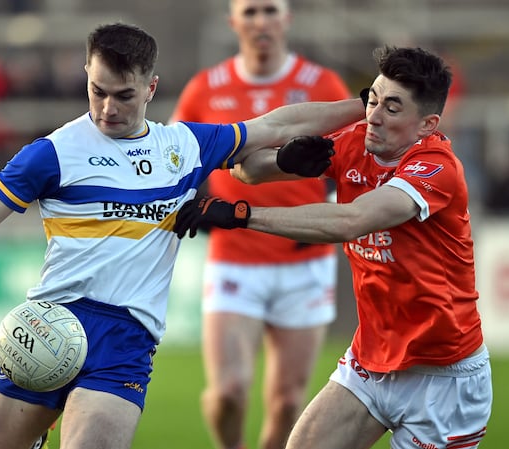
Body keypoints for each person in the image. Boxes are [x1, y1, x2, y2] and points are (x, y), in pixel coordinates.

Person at [0, 23, 365, 449]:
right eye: (97, 91)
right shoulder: (54, 152)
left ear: (152, 89)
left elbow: (275, 123)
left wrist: (362, 107)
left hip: (124, 343)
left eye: (124, 96)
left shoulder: (183, 146)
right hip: (45, 329)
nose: (107, 108)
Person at [174, 46, 493, 449]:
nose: (374, 116)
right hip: (371, 360)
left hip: (444, 377)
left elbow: (352, 220)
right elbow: (247, 169)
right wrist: (286, 159)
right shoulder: (357, 140)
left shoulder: (436, 168)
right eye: (372, 100)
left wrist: (240, 214)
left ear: (427, 124)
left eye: (392, 108)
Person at [168, 1, 351, 448]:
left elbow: (351, 155)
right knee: (228, 392)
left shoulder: (321, 84)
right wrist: (189, 199)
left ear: (287, 19)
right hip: (235, 258)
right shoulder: (205, 88)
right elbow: (172, 160)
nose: (260, 20)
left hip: (303, 261)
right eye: (249, 11)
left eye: (270, 9)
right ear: (233, 22)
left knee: (288, 402)